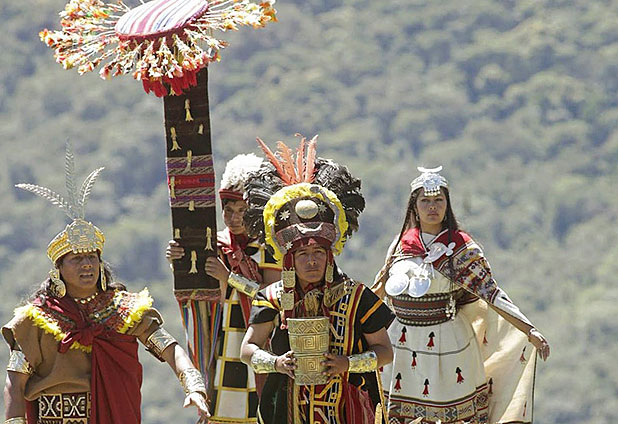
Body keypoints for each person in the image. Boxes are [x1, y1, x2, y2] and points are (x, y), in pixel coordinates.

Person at [3, 150, 209, 424]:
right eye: (77, 259)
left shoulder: (124, 310)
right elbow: (14, 384)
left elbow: (170, 348)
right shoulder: (36, 320)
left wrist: (193, 386)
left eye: (92, 257)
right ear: (59, 270)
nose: (86, 265)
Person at [372, 166, 550, 424]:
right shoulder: (401, 244)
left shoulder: (462, 247)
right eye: (425, 201)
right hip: (401, 343)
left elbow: (492, 293)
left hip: (448, 343)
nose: (432, 206)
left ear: (447, 204)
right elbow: (378, 289)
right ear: (414, 206)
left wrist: (529, 330)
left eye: (438, 200)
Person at [239, 136, 395, 423]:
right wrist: (276, 363)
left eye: (318, 252)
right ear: (289, 259)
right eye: (302, 254)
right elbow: (247, 350)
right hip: (287, 411)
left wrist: (346, 363)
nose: (311, 261)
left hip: (348, 409)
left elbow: (385, 352)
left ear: (329, 254)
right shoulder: (271, 297)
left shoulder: (357, 296)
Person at [166, 153, 281, 424]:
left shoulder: (269, 247)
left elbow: (274, 297)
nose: (234, 218)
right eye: (228, 210)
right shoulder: (212, 243)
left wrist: (230, 277)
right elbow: (194, 288)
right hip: (219, 340)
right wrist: (178, 261)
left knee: (258, 411)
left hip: (256, 338)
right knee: (219, 409)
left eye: (242, 211)